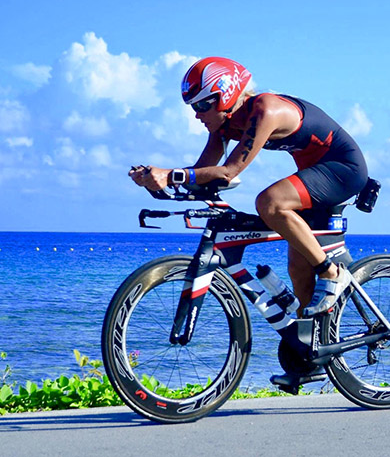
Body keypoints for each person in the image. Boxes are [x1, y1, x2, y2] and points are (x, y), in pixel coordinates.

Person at [129, 56, 368, 318]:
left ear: (225, 96)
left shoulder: (266, 110)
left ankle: (331, 273)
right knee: (299, 268)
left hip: (344, 170)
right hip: (314, 176)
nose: (197, 114)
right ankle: (313, 344)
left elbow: (229, 171)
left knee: (270, 202)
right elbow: (202, 173)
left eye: (202, 105)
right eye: (192, 107)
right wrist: (156, 180)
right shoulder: (225, 125)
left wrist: (171, 175)